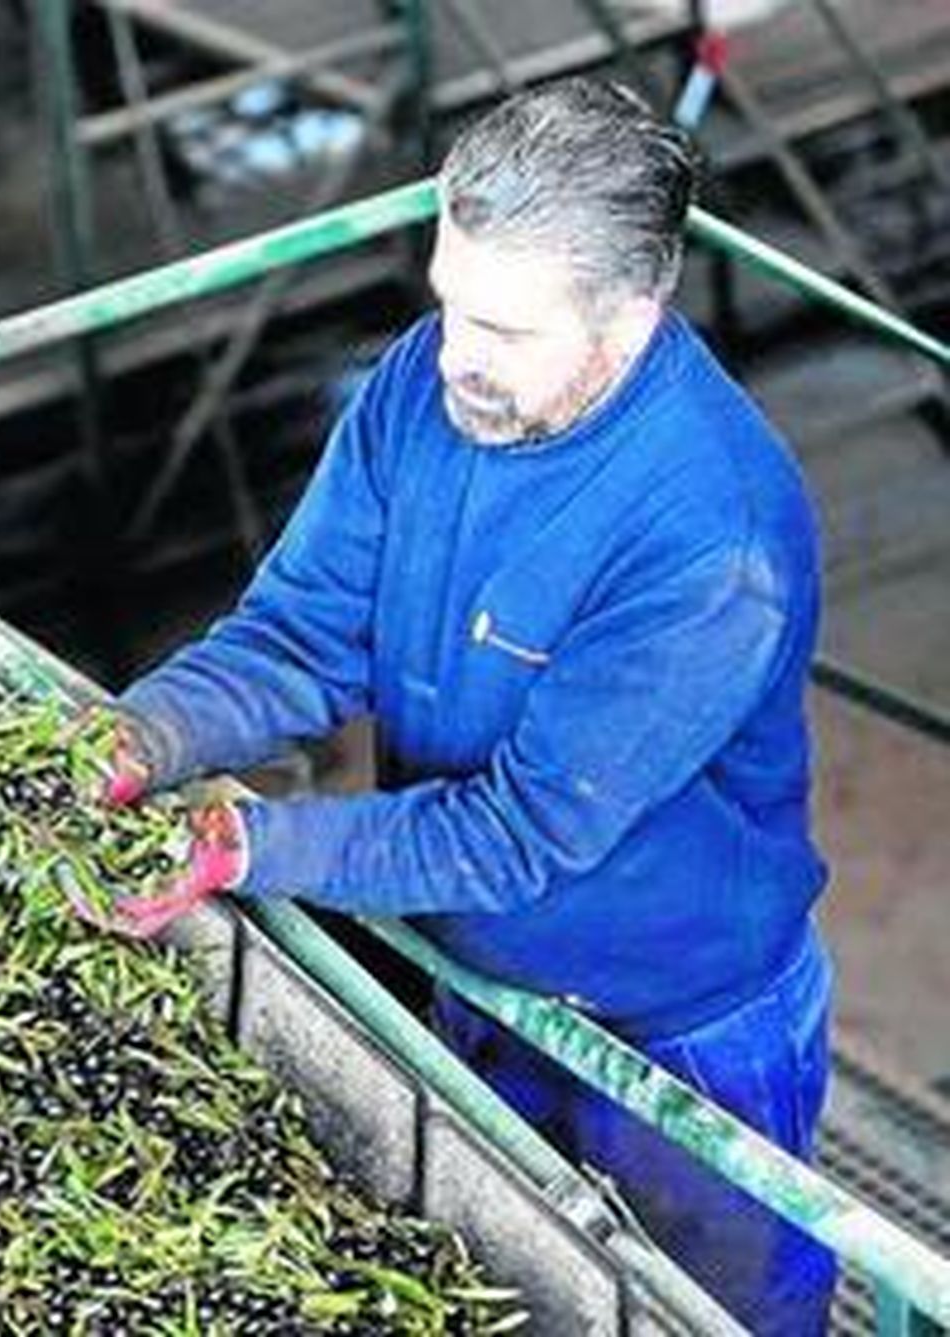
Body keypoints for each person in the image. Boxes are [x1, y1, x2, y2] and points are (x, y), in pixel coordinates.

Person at [98, 77, 836, 1333]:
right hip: (479, 965)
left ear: (633, 315)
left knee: (719, 1314)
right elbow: (304, 634)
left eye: (504, 328)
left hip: (679, 1023)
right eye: (448, 303)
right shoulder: (421, 389)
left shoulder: (715, 540)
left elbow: (513, 834)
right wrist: (146, 734)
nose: (455, 356)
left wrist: (247, 843)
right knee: (499, 1287)